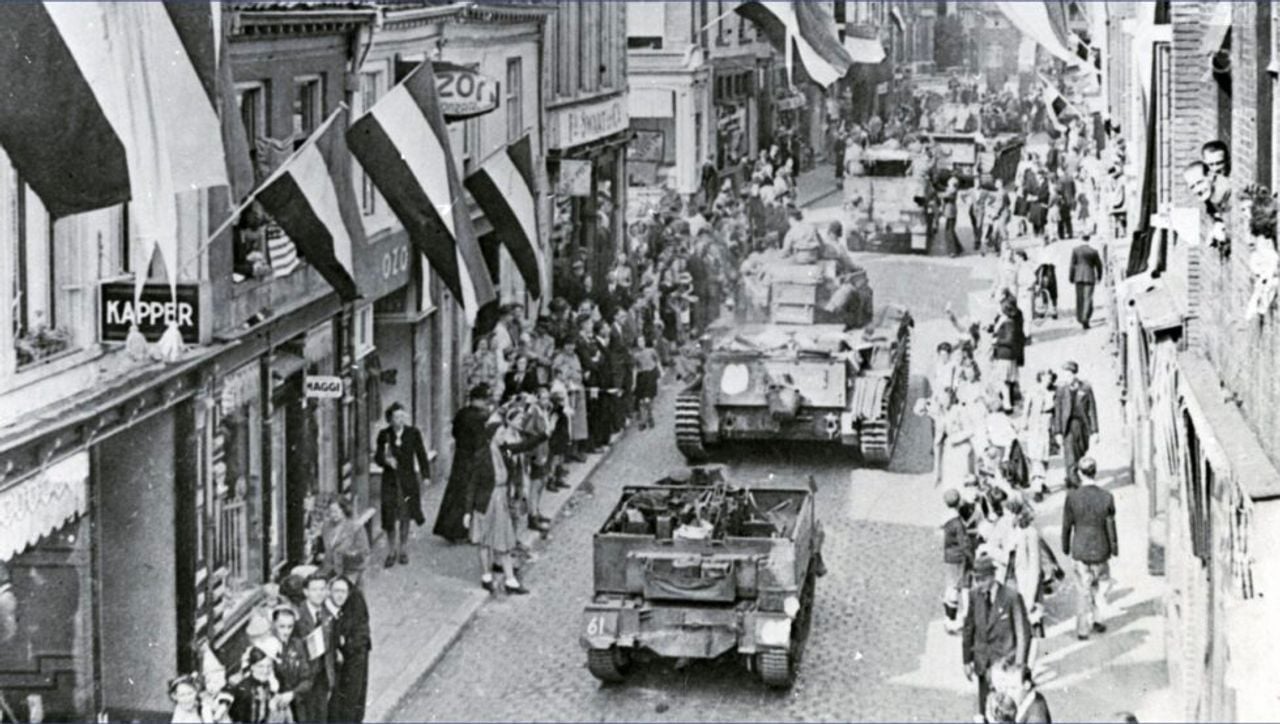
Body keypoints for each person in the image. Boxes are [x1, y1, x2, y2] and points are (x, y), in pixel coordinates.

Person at [465, 408, 545, 595]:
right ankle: (487, 577)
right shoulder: (482, 455)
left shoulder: (505, 450)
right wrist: (468, 511)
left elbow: (524, 446)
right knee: (485, 541)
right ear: (492, 436)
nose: (503, 436)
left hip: (501, 498)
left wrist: (544, 435)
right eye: (500, 433)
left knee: (503, 541)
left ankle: (510, 580)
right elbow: (472, 484)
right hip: (486, 501)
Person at [962, 555, 1031, 719]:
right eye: (976, 580)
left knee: (1004, 714)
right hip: (983, 665)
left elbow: (1023, 634)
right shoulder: (974, 596)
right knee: (984, 711)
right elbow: (968, 628)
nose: (979, 584)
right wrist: (966, 660)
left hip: (1006, 667)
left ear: (992, 577)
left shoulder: (1011, 597)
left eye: (982, 579)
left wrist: (1020, 665)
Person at [1061, 456, 1118, 640]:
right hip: (1101, 549)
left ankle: (1082, 629)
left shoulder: (1072, 498)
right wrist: (1114, 547)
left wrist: (1065, 546)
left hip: (1080, 550)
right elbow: (1111, 526)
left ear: (1079, 473)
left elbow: (1067, 525)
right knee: (1101, 585)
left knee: (1083, 590)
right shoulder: (1106, 497)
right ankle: (1098, 619)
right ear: (1096, 472)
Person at [435, 385, 492, 543]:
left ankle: (450, 528)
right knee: (468, 491)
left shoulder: (462, 413)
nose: (485, 403)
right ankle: (460, 530)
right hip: (472, 456)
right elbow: (480, 438)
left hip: (461, 455)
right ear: (477, 400)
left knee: (456, 490)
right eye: (484, 400)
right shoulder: (477, 417)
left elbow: (454, 433)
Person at [374, 402, 430, 567]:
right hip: (390, 481)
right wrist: (385, 461)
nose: (400, 420)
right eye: (396, 417)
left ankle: (403, 548)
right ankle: (391, 550)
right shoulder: (384, 435)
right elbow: (378, 457)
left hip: (407, 480)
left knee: (405, 514)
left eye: (402, 416)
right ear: (390, 419)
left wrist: (426, 475)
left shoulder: (413, 433)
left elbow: (421, 454)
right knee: (390, 516)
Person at [327, 577, 371, 723]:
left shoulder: (354, 604)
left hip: (352, 664)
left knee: (349, 704)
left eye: (343, 592)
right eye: (336, 591)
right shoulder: (330, 610)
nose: (340, 595)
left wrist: (345, 644)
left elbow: (360, 636)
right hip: (339, 669)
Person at [293, 574, 334, 722]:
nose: (319, 593)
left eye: (322, 589)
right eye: (315, 589)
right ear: (306, 592)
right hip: (306, 677)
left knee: (321, 716)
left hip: (322, 675)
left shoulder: (326, 611)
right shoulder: (298, 616)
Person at [1053, 361, 1099, 489]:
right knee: (1070, 457)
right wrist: (1057, 432)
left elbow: (1092, 410)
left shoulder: (1085, 388)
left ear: (1073, 374)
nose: (1066, 377)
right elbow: (1058, 412)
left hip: (1082, 426)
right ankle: (1076, 485)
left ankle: (1072, 478)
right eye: (1064, 374)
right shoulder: (1061, 390)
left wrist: (1095, 431)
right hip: (1068, 427)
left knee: (1081, 453)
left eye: (1068, 374)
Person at [1020, 370, 1057, 501]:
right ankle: (1037, 489)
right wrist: (1023, 424)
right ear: (1040, 377)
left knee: (1045, 458)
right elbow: (1026, 410)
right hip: (1035, 426)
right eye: (1046, 377)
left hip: (1048, 426)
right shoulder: (1033, 391)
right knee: (1036, 457)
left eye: (1051, 378)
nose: (1048, 380)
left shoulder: (1053, 392)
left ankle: (1040, 482)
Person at [319, 496, 371, 586]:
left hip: (351, 573)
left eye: (335, 511)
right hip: (330, 572)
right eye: (330, 512)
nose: (332, 515)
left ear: (344, 510)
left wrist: (346, 555)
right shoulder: (326, 527)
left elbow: (365, 553)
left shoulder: (355, 528)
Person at [942, 488, 974, 633]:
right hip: (959, 559)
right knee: (960, 587)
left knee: (950, 587)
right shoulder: (957, 523)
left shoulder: (946, 519)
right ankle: (958, 619)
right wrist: (972, 558)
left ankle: (948, 619)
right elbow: (964, 544)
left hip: (949, 557)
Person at [229, 647, 278, 724]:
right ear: (252, 667)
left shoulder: (266, 684)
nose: (265, 671)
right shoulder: (243, 689)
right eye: (260, 666)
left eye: (269, 666)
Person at [1068, 234, 1103, 329]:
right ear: (1089, 239)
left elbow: (1072, 265)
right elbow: (1099, 265)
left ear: (1081, 239)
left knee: (1079, 298)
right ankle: (1085, 318)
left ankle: (1080, 317)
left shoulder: (1076, 250)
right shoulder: (1093, 251)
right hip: (1090, 276)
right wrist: (1099, 276)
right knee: (1088, 298)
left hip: (1078, 277)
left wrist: (1071, 277)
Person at [633, 333, 662, 430]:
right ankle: (647, 418)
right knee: (642, 401)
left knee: (648, 399)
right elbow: (635, 369)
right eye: (639, 342)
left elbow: (657, 361)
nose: (641, 343)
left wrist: (660, 371)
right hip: (641, 377)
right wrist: (633, 383)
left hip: (650, 375)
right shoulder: (636, 355)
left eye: (642, 341)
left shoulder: (651, 351)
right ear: (636, 344)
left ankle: (647, 418)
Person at [942, 176, 963, 257]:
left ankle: (952, 251)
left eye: (949, 182)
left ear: (952, 184)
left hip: (950, 212)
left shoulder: (952, 190)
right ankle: (958, 248)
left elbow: (944, 196)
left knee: (949, 231)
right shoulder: (951, 189)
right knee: (950, 230)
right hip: (950, 212)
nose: (948, 183)